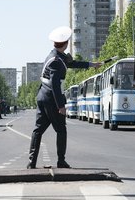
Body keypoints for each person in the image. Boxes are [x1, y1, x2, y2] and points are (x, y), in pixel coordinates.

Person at [27, 26, 102, 169]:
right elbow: (55, 84)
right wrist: (60, 106)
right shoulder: (56, 61)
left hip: (42, 96)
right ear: (66, 43)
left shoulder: (54, 55)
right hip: (51, 98)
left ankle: (31, 163)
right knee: (61, 130)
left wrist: (92, 65)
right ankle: (61, 161)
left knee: (38, 130)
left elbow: (72, 63)